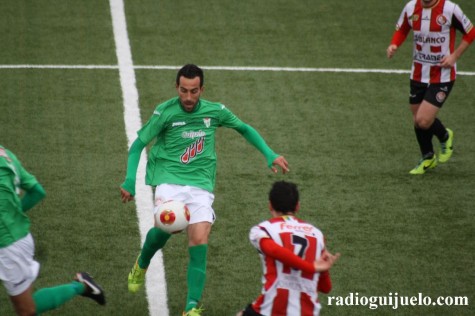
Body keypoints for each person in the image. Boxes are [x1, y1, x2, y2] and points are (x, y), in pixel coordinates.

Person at [120, 64, 289, 316]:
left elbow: (244, 128)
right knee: (165, 229)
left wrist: (269, 153)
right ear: (176, 87)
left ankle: (191, 306)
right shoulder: (165, 112)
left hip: (201, 186)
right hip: (170, 180)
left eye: (194, 91)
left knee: (199, 239)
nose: (188, 98)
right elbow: (137, 147)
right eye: (184, 91)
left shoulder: (215, 111)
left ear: (202, 89)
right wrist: (129, 180)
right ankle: (142, 263)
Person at [0, 145, 106, 316]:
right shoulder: (7, 155)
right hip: (17, 236)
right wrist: (13, 215)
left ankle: (81, 286)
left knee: (27, 310)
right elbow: (37, 192)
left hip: (9, 245)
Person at [386, 0, 475, 174]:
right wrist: (394, 44)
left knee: (423, 120)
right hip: (418, 73)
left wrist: (454, 56)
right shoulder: (411, 7)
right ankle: (427, 157)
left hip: (442, 75)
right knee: (417, 119)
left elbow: (471, 33)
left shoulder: (450, 9)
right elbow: (403, 28)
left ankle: (445, 136)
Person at [237, 181, 340, 316]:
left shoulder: (263, 229)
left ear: (270, 205)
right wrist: (323, 270)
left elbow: (274, 250)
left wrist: (311, 268)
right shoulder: (317, 234)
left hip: (272, 308)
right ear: (297, 206)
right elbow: (326, 288)